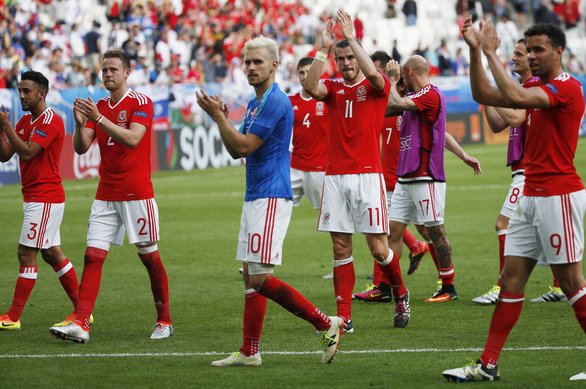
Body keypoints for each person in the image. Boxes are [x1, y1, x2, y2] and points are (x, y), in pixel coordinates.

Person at [443, 20, 586, 382]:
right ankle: (487, 364)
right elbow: (486, 96)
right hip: (532, 194)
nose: (533, 57)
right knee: (511, 280)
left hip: (559, 194)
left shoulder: (568, 87)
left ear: (559, 51)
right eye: (531, 50)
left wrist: (492, 51)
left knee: (571, 281)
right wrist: (476, 50)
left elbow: (515, 100)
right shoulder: (535, 85)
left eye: (539, 50)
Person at [196, 36, 342, 367]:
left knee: (260, 278)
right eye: (247, 61)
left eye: (257, 62)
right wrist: (222, 119)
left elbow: (246, 146)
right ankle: (250, 352)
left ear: (274, 65)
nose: (250, 67)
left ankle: (325, 323)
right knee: (250, 274)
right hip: (255, 195)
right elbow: (237, 150)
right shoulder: (255, 102)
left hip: (271, 195)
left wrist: (219, 118)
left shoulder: (276, 101)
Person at [49, 50, 173, 343]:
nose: (107, 74)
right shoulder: (99, 106)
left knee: (150, 259)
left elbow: (132, 139)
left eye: (113, 70)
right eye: (104, 70)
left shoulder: (141, 102)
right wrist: (81, 124)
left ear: (127, 73)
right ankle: (81, 323)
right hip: (106, 193)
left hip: (137, 193)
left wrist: (98, 118)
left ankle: (164, 320)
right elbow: (81, 148)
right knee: (92, 256)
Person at [304, 10, 410, 330]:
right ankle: (344, 316)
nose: (347, 63)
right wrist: (324, 50)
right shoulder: (334, 89)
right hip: (335, 176)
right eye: (342, 58)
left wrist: (350, 38)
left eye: (351, 56)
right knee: (340, 247)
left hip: (367, 175)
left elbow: (376, 77)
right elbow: (310, 88)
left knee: (379, 249)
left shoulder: (378, 87)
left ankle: (401, 294)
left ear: (358, 55)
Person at [468, 33, 564, 305]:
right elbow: (499, 125)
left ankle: (502, 288)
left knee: (502, 224)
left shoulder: (531, 86)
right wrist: (486, 97)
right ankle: (560, 286)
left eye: (519, 54)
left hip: (529, 170)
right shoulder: (521, 87)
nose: (515, 58)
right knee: (544, 229)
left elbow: (514, 117)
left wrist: (490, 90)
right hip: (524, 171)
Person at [383, 56, 481, 304]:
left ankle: (448, 287)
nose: (402, 80)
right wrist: (464, 155)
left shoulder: (430, 94)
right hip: (406, 176)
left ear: (409, 71)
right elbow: (441, 131)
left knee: (434, 231)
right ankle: (397, 288)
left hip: (426, 176)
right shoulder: (418, 98)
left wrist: (392, 79)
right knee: (392, 232)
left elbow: (393, 102)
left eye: (404, 76)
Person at [0, 71, 82, 330]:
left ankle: (13, 317)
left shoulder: (51, 121)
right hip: (35, 197)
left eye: (27, 91)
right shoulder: (26, 121)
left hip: (45, 197)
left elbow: (26, 153)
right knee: (51, 252)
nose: (21, 95)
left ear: (42, 94)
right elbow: (5, 156)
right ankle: (83, 311)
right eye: (19, 91)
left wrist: (7, 126)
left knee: (26, 253)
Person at [353, 51, 430, 304]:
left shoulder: (409, 102)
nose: (372, 76)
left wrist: (462, 154)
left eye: (377, 71)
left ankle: (446, 282)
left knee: (428, 229)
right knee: (383, 231)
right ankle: (384, 284)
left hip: (408, 177)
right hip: (384, 176)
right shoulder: (379, 103)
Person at [289, 57, 328, 211]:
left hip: (320, 168)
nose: (305, 76)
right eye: (301, 73)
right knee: (276, 205)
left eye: (309, 71)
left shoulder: (327, 99)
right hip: (294, 167)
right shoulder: (290, 101)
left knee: (329, 217)